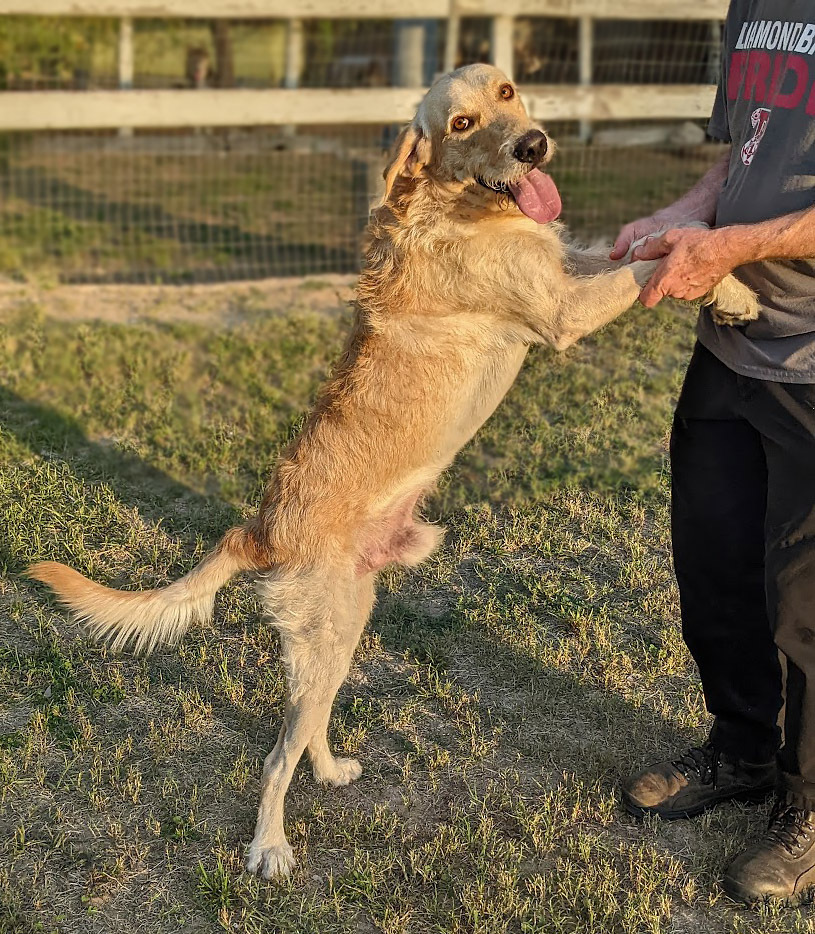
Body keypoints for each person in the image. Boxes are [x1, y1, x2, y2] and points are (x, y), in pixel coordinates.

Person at [612, 1, 815, 905]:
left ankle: (808, 808)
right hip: (731, 340)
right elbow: (743, 153)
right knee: (714, 561)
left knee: (806, 603)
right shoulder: (757, 7)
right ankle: (740, 750)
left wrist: (731, 243)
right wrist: (681, 212)